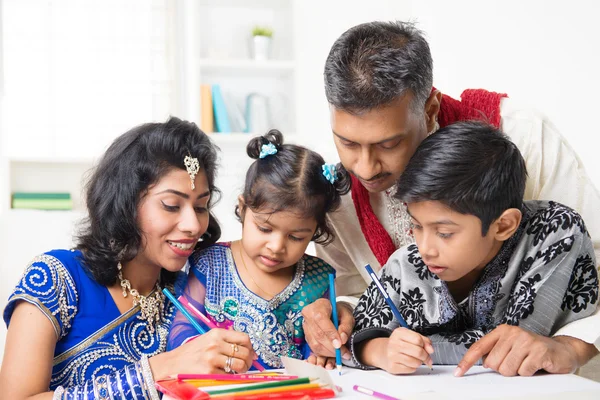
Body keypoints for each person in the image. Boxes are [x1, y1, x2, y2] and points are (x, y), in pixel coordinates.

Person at [303, 20, 600, 376]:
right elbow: (356, 289)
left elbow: (591, 262)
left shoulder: (521, 138)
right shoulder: (337, 190)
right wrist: (342, 316)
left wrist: (567, 347)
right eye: (348, 143)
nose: (364, 168)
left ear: (429, 109)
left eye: (388, 144)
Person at [0, 117, 256, 399]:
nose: (193, 226)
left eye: (201, 206)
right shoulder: (57, 278)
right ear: (125, 203)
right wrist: (159, 369)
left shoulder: (192, 294)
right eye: (171, 205)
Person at [349, 121, 598, 375]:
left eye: (445, 233)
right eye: (416, 226)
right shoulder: (406, 264)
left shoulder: (553, 232)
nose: (425, 249)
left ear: (503, 225)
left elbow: (517, 345)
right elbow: (350, 341)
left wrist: (566, 348)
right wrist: (379, 350)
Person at [168, 129, 350, 369]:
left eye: (296, 237)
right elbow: (180, 329)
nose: (276, 247)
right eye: (264, 229)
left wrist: (321, 355)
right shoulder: (210, 264)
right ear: (243, 209)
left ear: (315, 230)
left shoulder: (318, 278)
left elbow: (317, 344)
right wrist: (199, 348)